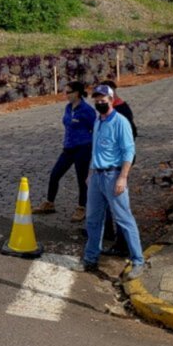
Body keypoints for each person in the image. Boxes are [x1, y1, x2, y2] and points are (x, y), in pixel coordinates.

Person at [82, 84, 145, 280]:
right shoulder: (98, 121)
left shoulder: (121, 122)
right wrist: (90, 172)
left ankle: (138, 260)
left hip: (113, 176)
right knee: (93, 219)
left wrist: (123, 177)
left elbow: (129, 151)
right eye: (97, 100)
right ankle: (91, 257)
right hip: (97, 176)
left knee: (124, 219)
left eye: (103, 99)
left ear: (111, 100)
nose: (100, 102)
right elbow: (95, 150)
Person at [33, 81, 96, 222]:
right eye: (65, 92)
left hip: (83, 148)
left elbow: (96, 129)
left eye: (68, 92)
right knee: (55, 174)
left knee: (82, 179)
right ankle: (49, 203)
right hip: (68, 148)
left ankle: (82, 207)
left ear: (77, 93)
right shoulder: (68, 108)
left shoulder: (87, 110)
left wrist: (92, 146)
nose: (65, 95)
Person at [100, 80, 135, 257]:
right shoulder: (106, 113)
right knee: (105, 202)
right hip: (104, 165)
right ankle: (106, 231)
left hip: (117, 165)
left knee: (119, 206)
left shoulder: (122, 113)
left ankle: (124, 245)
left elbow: (129, 144)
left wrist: (123, 174)